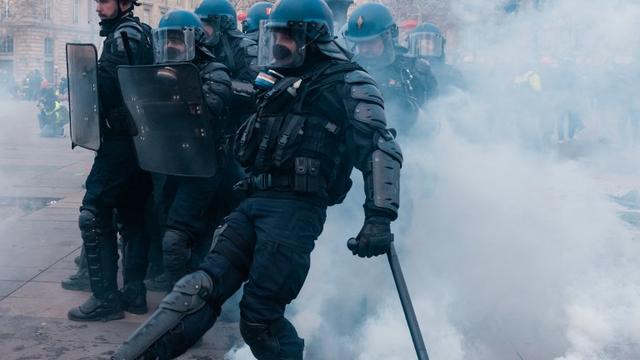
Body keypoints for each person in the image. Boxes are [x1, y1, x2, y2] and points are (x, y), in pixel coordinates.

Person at [112, 0, 402, 358]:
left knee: (259, 317)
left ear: (313, 37)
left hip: (296, 212)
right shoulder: (277, 81)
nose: (278, 43)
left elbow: (379, 147)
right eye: (275, 34)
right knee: (197, 290)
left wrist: (379, 215)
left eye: (287, 35)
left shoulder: (346, 82)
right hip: (254, 200)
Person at [66, 0, 154, 322]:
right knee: (132, 217)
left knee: (94, 212)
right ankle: (134, 293)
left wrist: (86, 78)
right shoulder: (138, 32)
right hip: (141, 142)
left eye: (104, 1)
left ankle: (105, 298)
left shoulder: (123, 36)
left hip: (121, 140)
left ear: (125, 3)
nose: (98, 8)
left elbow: (114, 88)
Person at [140, 10, 232, 291]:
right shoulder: (157, 71)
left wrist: (178, 87)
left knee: (176, 239)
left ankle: (182, 300)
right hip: (171, 165)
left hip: (202, 167)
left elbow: (210, 110)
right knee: (165, 227)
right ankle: (185, 286)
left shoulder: (215, 72)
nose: (171, 46)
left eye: (177, 40)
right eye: (166, 39)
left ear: (194, 41)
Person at [345, 2, 437, 133]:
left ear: (388, 37)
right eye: (360, 44)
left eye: (371, 42)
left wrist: (414, 115)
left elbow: (436, 120)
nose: (364, 50)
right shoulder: (349, 72)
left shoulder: (416, 70)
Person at [195, 0, 258, 82]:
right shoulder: (195, 47)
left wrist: (222, 83)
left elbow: (253, 89)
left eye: (207, 24)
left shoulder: (243, 50)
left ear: (223, 25)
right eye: (199, 24)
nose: (201, 29)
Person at [408, 22, 465, 93]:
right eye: (419, 43)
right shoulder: (406, 71)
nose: (423, 46)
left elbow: (461, 97)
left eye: (428, 43)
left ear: (437, 46)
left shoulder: (450, 73)